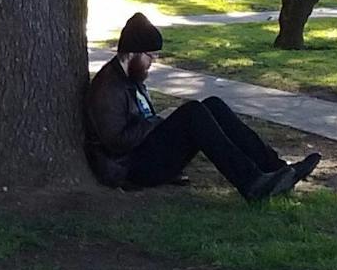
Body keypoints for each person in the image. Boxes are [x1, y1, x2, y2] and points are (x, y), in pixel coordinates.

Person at [85, 13, 320, 202]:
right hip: (131, 167)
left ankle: (277, 168)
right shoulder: (109, 87)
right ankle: (251, 183)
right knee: (193, 113)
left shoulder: (132, 76)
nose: (153, 62)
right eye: (149, 56)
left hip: (145, 152)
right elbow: (117, 142)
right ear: (131, 54)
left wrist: (158, 122)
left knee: (213, 105)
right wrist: (157, 121)